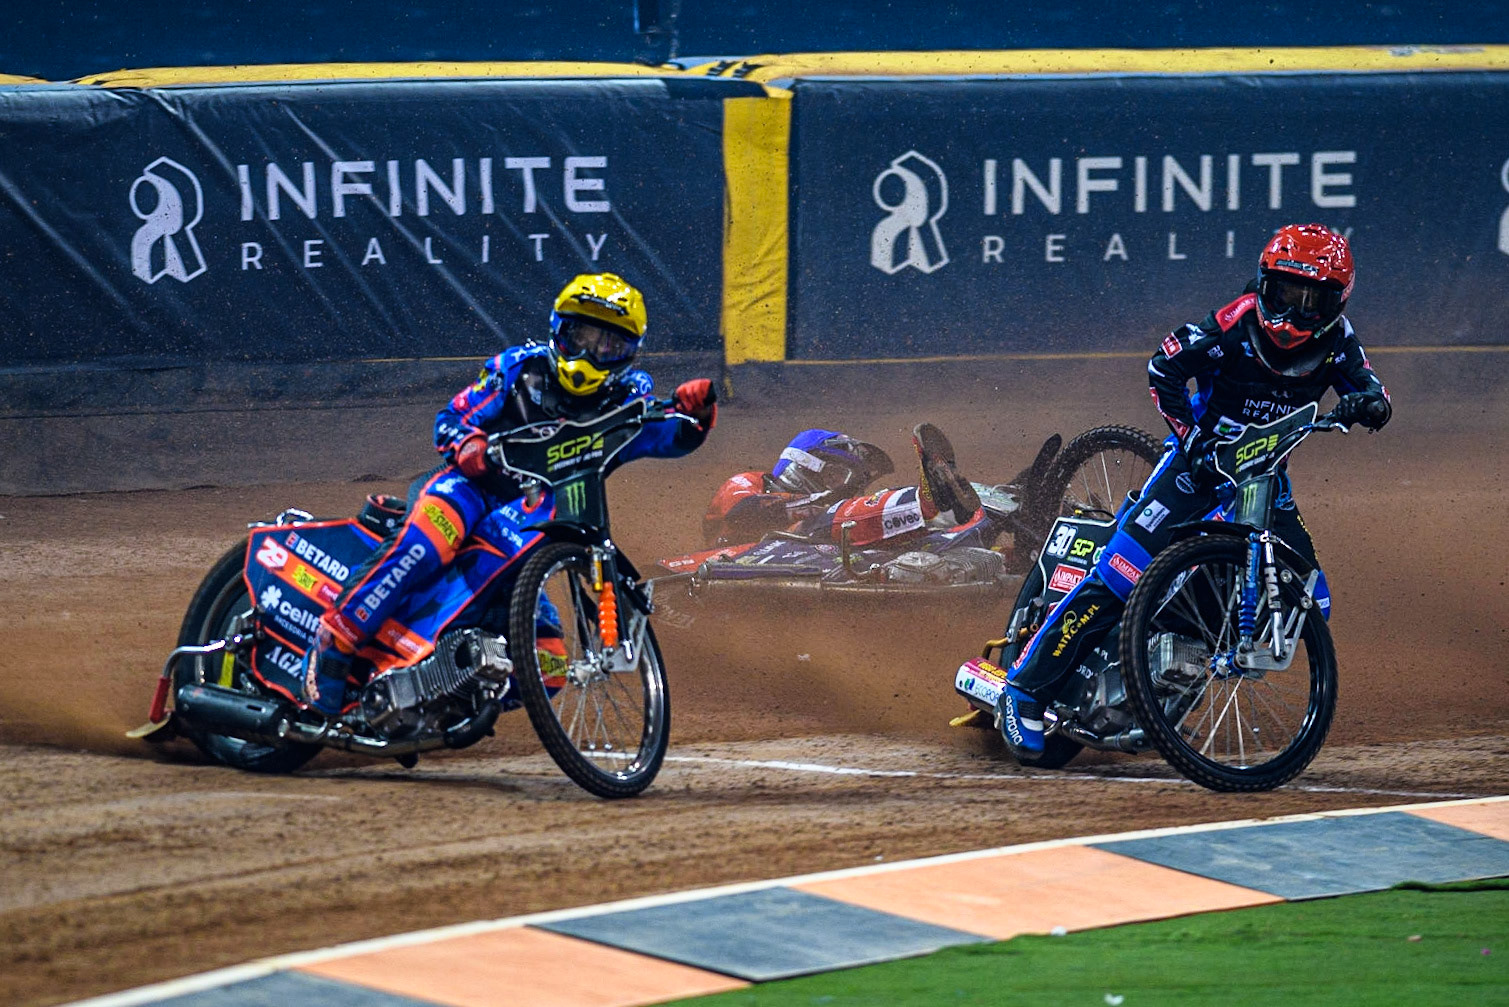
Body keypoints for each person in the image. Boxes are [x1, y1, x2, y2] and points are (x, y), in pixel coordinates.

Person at [996, 223, 1391, 755]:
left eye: (1310, 301)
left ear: (1336, 302)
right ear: (1262, 283)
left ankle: (1175, 662)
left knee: (1313, 600)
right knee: (1118, 577)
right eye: (1283, 293)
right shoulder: (1232, 325)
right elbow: (1163, 369)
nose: (1293, 314)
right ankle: (1022, 690)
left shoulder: (1339, 341)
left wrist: (1371, 405)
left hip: (1263, 482)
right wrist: (1194, 437)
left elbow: (1370, 386)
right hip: (1192, 473)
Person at [298, 272, 718, 717]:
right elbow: (451, 418)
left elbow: (665, 435)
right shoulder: (518, 367)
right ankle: (333, 641)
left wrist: (696, 412)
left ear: (629, 353)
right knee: (426, 546)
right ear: (560, 330)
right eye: (582, 336)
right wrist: (467, 445)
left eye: (608, 344)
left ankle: (442, 701)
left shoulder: (631, 393)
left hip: (532, 527)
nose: (591, 353)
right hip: (471, 491)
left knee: (551, 666)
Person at [702, 423, 983, 548]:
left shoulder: (822, 518)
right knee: (829, 520)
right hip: (736, 560)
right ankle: (926, 505)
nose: (847, 488)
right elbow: (743, 513)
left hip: (810, 560)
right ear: (806, 465)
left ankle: (977, 521)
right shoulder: (748, 483)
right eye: (838, 477)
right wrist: (829, 500)